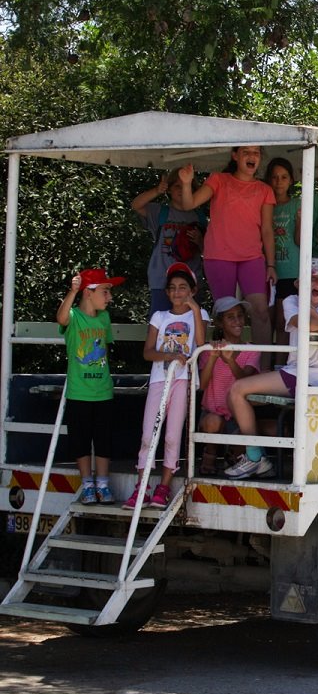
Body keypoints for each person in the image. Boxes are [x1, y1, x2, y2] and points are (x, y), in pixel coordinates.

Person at [224, 258, 318, 478]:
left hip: (312, 378)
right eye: (313, 278)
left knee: (237, 391)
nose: (317, 284)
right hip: (294, 373)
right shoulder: (292, 300)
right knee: (238, 394)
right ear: (301, 284)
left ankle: (254, 457)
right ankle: (255, 456)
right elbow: (300, 322)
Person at [127, 262, 208, 509]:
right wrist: (171, 356)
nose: (177, 292)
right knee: (148, 433)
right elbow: (148, 352)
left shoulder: (200, 315)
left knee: (173, 435)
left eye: (183, 287)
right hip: (159, 379)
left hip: (183, 380)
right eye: (172, 287)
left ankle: (163, 486)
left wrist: (194, 310)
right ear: (166, 292)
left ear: (192, 291)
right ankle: (142, 486)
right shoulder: (159, 317)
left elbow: (202, 345)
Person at [177, 146, 275, 346]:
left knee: (261, 312)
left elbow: (267, 230)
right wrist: (187, 184)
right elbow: (189, 204)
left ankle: (262, 368)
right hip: (219, 256)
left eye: (256, 153)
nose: (252, 156)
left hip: (252, 257)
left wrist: (271, 265)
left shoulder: (264, 189)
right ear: (235, 156)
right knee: (226, 314)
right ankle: (225, 367)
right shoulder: (219, 179)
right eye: (246, 152)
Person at [56, 268, 124, 505]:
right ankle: (87, 485)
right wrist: (72, 291)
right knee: (81, 439)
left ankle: (103, 484)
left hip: (103, 391)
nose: (109, 297)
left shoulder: (104, 318)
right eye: (105, 291)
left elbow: (104, 350)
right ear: (89, 293)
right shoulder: (74, 316)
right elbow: (62, 319)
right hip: (79, 392)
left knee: (103, 438)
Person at [197, 297, 260, 475]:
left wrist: (230, 360)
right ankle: (209, 454)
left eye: (240, 316)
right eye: (230, 317)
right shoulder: (208, 350)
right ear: (220, 323)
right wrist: (214, 357)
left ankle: (233, 457)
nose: (237, 321)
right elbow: (202, 384)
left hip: (237, 417)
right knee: (213, 421)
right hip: (212, 413)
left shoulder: (252, 349)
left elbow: (244, 381)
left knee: (245, 433)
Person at [130, 168, 206, 315]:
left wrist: (200, 241)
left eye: (187, 185)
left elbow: (208, 252)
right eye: (177, 185)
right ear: (169, 189)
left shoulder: (199, 217)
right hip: (161, 282)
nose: (182, 189)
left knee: (190, 329)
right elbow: (136, 205)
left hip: (191, 284)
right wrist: (157, 190)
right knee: (159, 327)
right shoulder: (160, 212)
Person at [267, 156, 301, 348]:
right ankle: (265, 365)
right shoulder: (263, 204)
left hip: (290, 271)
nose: (279, 182)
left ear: (291, 180)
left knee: (283, 323)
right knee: (266, 321)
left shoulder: (296, 204)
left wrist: (300, 221)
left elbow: (299, 240)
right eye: (274, 177)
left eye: (284, 177)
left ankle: (279, 366)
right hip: (266, 269)